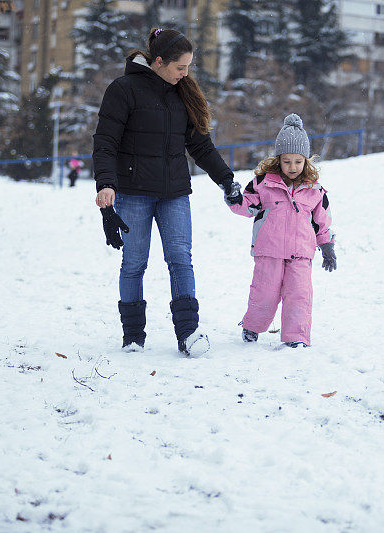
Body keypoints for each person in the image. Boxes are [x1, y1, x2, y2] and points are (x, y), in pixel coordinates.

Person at [92, 28, 242, 355]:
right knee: (133, 263)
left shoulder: (181, 93)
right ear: (159, 62)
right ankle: (133, 336)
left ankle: (188, 335)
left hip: (174, 192)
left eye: (189, 67)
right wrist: (106, 184)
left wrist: (226, 179)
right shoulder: (123, 90)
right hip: (132, 192)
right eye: (180, 67)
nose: (186, 74)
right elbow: (105, 143)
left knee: (180, 259)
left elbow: (200, 145)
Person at [226, 114, 337, 348]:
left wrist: (327, 246)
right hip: (269, 252)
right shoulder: (262, 183)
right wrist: (234, 198)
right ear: (278, 160)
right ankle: (252, 327)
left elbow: (321, 223)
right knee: (264, 293)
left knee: (299, 296)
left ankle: (295, 337)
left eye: (298, 161)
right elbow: (247, 207)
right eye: (286, 161)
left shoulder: (315, 191)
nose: (292, 167)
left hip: (301, 254)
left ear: (306, 161)